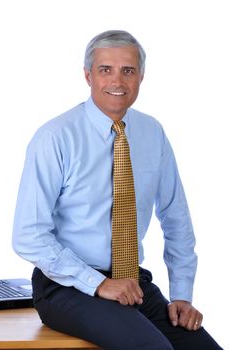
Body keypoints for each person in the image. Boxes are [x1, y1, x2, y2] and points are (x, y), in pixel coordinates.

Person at [12, 30, 223, 350]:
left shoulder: (152, 132)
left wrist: (181, 294)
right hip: (66, 286)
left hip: (132, 282)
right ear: (87, 76)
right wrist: (98, 284)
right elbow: (28, 235)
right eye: (105, 69)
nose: (117, 81)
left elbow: (176, 217)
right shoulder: (55, 137)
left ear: (141, 77)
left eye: (128, 70)